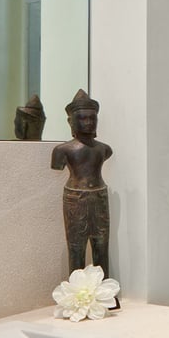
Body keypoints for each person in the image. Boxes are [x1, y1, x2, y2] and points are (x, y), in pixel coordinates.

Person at [51, 89, 113, 279]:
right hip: (75, 198)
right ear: (71, 122)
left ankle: (104, 292)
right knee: (76, 247)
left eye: (92, 118)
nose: (88, 122)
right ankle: (75, 295)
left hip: (99, 197)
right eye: (83, 118)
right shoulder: (62, 150)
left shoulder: (104, 149)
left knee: (101, 246)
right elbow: (56, 166)